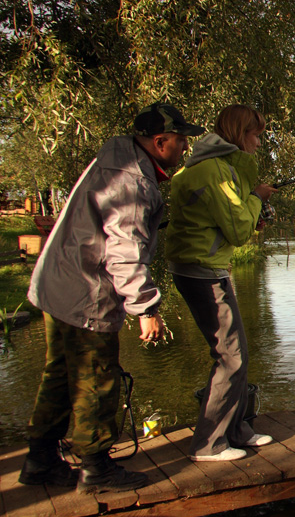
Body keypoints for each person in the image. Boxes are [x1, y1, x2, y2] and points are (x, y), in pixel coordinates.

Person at [21, 102, 200, 494]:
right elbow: (125, 251)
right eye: (182, 141)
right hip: (86, 292)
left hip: (58, 284)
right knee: (96, 378)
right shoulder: (132, 182)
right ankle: (97, 470)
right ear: (161, 141)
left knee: (60, 374)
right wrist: (146, 307)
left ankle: (39, 461)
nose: (184, 148)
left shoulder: (114, 161)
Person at [165, 104, 276, 462]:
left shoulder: (207, 167)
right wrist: (257, 198)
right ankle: (209, 445)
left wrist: (250, 207)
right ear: (240, 134)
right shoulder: (216, 171)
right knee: (231, 357)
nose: (258, 142)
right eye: (256, 134)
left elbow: (228, 220)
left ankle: (237, 429)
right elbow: (239, 229)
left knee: (237, 353)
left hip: (204, 266)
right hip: (202, 270)